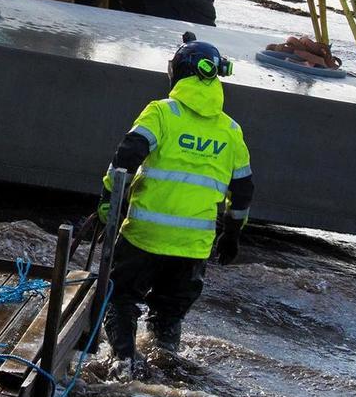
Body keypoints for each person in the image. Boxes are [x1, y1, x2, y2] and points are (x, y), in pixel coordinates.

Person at [91, 32, 253, 373]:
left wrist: (109, 203)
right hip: (192, 248)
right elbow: (243, 190)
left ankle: (123, 365)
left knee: (120, 298)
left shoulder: (162, 113)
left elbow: (126, 156)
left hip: (143, 236)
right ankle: (163, 368)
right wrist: (232, 235)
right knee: (167, 314)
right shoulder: (230, 130)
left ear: (178, 74)